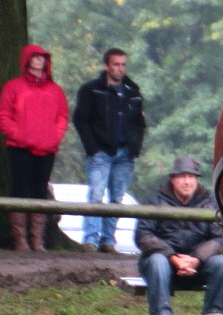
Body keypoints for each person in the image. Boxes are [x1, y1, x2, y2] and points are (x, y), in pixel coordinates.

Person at [134, 156, 223, 315]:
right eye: (182, 176)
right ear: (172, 179)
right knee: (157, 261)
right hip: (162, 265)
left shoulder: (210, 202)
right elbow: (143, 236)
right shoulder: (153, 200)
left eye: (192, 177)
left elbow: (220, 237)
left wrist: (196, 259)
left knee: (221, 264)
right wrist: (173, 257)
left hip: (197, 266)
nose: (187, 181)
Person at [72, 48, 146, 252]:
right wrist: (93, 148)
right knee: (96, 194)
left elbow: (139, 122)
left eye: (123, 64)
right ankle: (90, 239)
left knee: (117, 198)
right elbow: (81, 120)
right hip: (101, 151)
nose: (120, 68)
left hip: (125, 153)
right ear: (106, 66)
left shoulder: (133, 91)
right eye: (116, 64)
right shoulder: (92, 90)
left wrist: (134, 147)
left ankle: (108, 240)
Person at [1, 45, 69, 251]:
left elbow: (62, 117)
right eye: (35, 57)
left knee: (40, 191)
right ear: (26, 60)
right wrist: (18, 134)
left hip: (46, 149)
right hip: (19, 147)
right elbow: (4, 114)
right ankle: (20, 239)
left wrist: (53, 138)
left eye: (42, 57)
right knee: (20, 190)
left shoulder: (55, 90)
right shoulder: (13, 87)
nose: (39, 60)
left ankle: (37, 239)